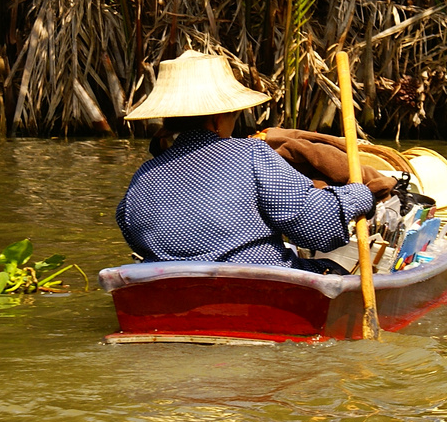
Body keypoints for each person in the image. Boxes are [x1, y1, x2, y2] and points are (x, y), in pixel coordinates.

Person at [116, 51, 393, 268]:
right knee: (335, 267)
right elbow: (315, 225)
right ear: (216, 119)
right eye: (234, 116)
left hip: (170, 289)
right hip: (254, 284)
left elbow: (134, 235)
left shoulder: (143, 176)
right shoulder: (251, 154)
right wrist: (358, 195)